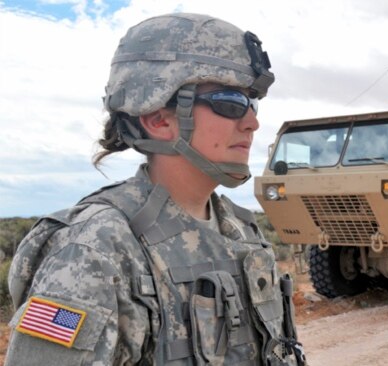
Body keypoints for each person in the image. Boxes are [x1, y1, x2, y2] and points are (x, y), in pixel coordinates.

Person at [6, 13, 305, 365]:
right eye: (230, 103)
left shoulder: (242, 232)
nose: (252, 122)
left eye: (251, 103)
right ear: (158, 119)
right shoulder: (93, 249)